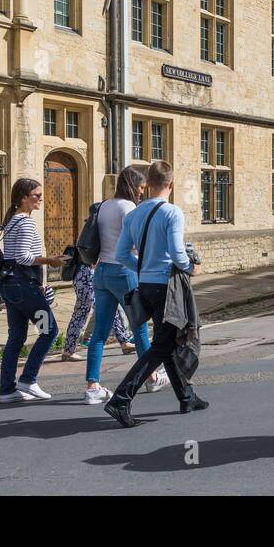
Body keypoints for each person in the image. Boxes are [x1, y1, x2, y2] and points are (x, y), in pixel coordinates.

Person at [104, 161, 208, 427]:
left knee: (169, 342)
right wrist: (191, 267)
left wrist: (141, 267)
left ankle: (187, 397)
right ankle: (120, 399)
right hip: (167, 287)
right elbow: (176, 253)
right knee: (162, 345)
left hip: (144, 285)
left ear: (148, 184)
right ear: (170, 184)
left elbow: (121, 255)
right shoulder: (172, 212)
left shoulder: (134, 214)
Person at [83, 166, 167, 404]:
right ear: (132, 185)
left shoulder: (105, 205)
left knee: (99, 332)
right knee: (139, 327)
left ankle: (93, 387)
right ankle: (151, 378)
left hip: (101, 272)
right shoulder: (129, 208)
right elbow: (136, 244)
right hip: (124, 272)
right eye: (140, 188)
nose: (142, 192)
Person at [0, 178, 67, 402]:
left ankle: (7, 390)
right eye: (36, 195)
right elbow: (23, 257)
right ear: (23, 198)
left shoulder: (12, 221)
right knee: (49, 331)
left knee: (16, 337)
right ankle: (28, 379)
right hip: (25, 288)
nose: (40, 199)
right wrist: (51, 261)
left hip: (10, 286)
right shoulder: (25, 222)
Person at [62, 187, 136, 369]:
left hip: (89, 274)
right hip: (87, 274)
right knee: (84, 312)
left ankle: (124, 341)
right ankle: (69, 350)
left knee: (109, 310)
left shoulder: (93, 227)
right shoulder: (97, 229)